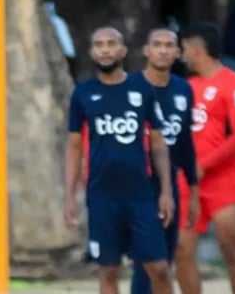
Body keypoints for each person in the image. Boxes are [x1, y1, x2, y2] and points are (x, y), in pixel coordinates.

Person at [65, 26, 175, 294]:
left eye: (111, 43)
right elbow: (75, 146)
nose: (105, 49)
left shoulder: (142, 88)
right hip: (101, 196)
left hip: (140, 195)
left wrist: (166, 191)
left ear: (123, 50)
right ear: (92, 52)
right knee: (108, 271)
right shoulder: (83, 94)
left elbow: (158, 142)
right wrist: (69, 196)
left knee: (159, 268)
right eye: (99, 44)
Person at [174, 21, 235, 294]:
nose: (182, 56)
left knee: (232, 249)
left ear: (196, 50)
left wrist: (205, 164)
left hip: (224, 181)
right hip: (188, 182)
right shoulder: (185, 88)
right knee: (181, 250)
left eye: (184, 49)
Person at [131, 28, 200, 294]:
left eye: (169, 45)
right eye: (156, 44)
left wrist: (193, 191)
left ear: (178, 53)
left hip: (168, 184)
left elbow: (184, 144)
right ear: (146, 51)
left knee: (166, 259)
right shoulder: (131, 86)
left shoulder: (183, 89)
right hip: (136, 184)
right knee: (147, 263)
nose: (162, 50)